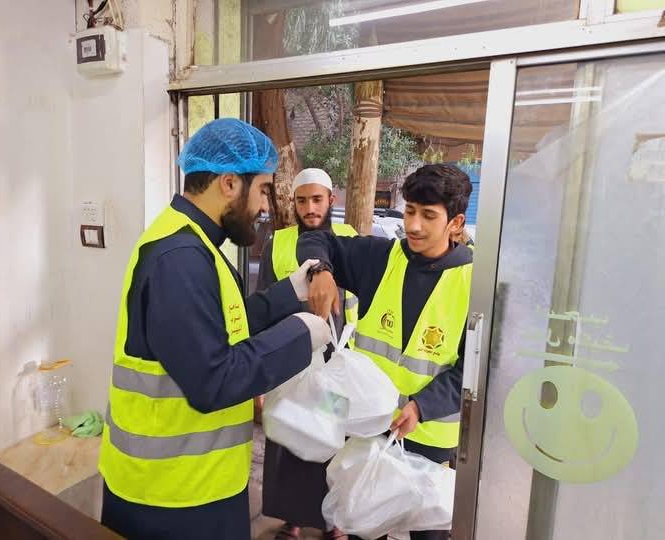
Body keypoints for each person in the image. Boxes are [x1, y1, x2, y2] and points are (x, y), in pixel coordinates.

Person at [97, 118, 332, 540]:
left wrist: (288, 294)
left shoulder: (194, 242)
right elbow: (215, 379)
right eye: (262, 189)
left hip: (196, 484)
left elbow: (222, 323)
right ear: (229, 183)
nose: (265, 207)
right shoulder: (180, 257)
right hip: (172, 499)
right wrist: (300, 333)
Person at [298, 164, 473, 540]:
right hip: (370, 428)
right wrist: (320, 270)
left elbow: (473, 369)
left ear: (456, 222)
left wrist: (421, 407)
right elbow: (315, 240)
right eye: (410, 211)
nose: (414, 225)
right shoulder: (379, 259)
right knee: (365, 526)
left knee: (428, 533)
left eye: (428, 216)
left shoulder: (474, 282)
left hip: (429, 440)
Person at [257, 168, 357, 540]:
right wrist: (261, 375)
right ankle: (293, 518)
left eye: (317, 199)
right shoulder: (278, 243)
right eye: (302, 201)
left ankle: (335, 522)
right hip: (290, 362)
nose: (310, 208)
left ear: (332, 199)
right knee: (290, 437)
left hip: (336, 364)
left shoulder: (349, 240)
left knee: (334, 442)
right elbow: (265, 305)